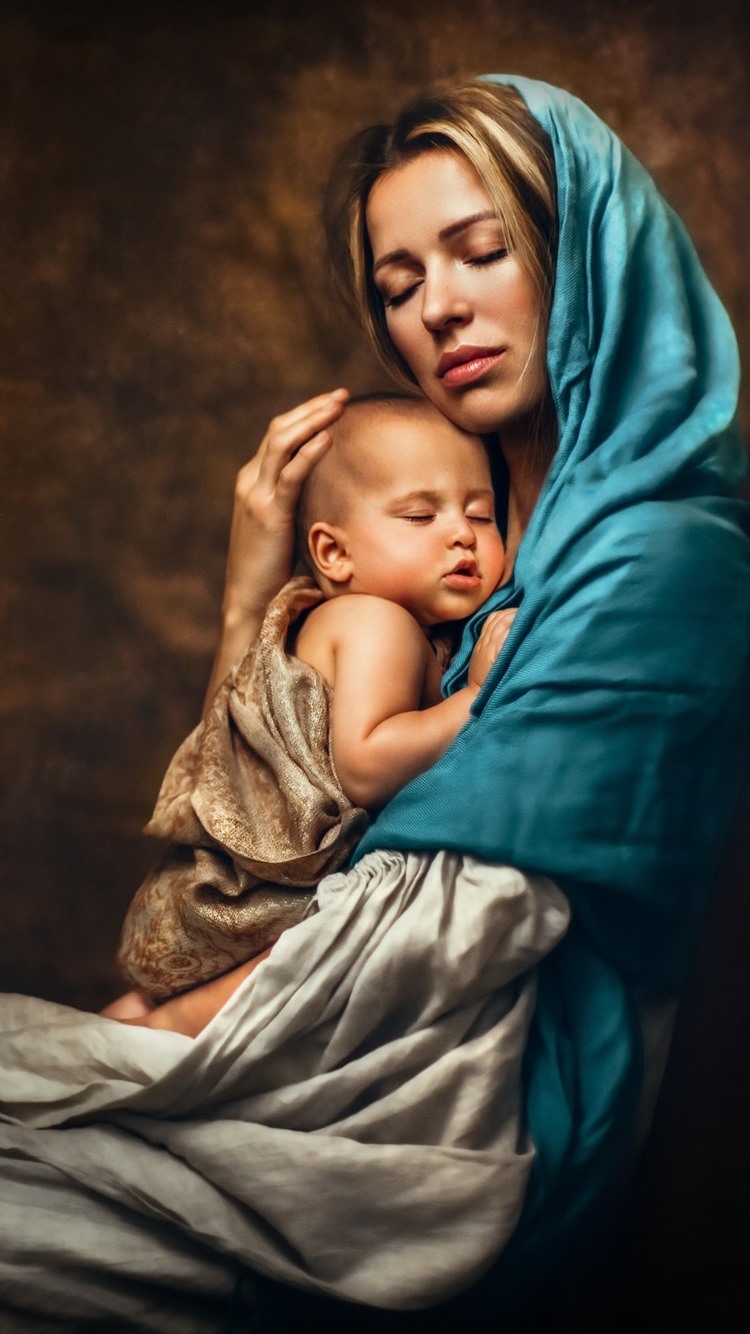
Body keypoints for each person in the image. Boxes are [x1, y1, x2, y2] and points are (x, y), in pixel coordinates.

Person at [0, 74, 748, 1334]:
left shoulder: (666, 563)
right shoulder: (464, 571)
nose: (439, 306)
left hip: (460, 1144)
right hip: (313, 1071)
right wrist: (250, 610)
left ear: (586, 260)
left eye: (482, 249)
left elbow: (420, 949)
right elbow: (261, 827)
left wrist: (118, 1046)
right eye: (398, 286)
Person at [107, 393, 513, 1024]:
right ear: (333, 554)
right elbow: (367, 764)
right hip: (248, 903)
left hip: (200, 899)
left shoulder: (329, 619)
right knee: (341, 938)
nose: (462, 533)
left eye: (482, 514)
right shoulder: (378, 624)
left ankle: (145, 1008)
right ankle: (160, 1022)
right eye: (418, 516)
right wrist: (472, 699)